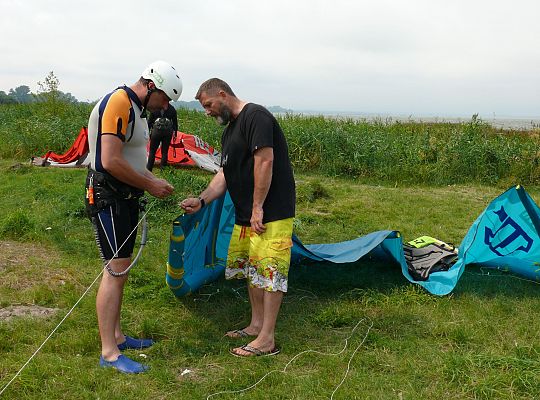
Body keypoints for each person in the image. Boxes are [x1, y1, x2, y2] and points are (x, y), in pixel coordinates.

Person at [180, 78, 296, 357]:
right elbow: (224, 174)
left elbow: (265, 160)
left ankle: (267, 339)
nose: (207, 111)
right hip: (247, 215)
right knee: (252, 270)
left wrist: (258, 206)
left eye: (208, 104)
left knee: (270, 270)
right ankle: (255, 325)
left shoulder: (255, 116)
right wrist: (203, 199)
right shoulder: (230, 131)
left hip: (271, 212)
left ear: (222, 94)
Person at [84, 60, 182, 373]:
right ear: (151, 85)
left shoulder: (137, 110)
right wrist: (150, 183)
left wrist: (148, 179)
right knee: (114, 270)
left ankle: (117, 335)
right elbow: (110, 159)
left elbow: (130, 156)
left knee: (121, 269)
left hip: (124, 196)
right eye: (165, 98)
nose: (165, 106)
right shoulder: (118, 102)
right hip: (107, 195)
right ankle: (109, 352)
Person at [146, 102, 178, 171]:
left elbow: (149, 121)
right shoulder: (172, 109)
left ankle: (149, 168)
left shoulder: (155, 108)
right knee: (164, 151)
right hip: (167, 132)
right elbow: (175, 123)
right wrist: (175, 134)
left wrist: (148, 132)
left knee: (152, 151)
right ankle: (163, 169)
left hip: (156, 132)